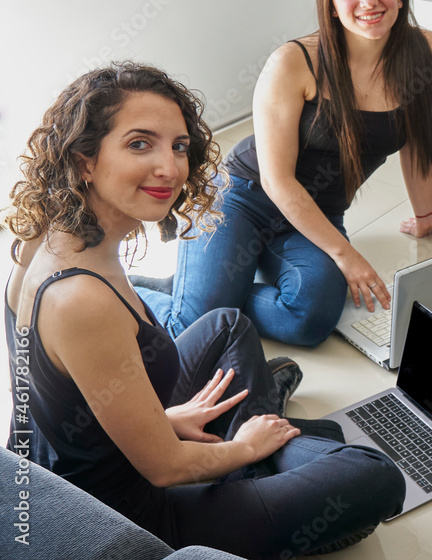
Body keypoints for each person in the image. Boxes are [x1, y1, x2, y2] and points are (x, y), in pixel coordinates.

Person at [4, 63, 405, 559]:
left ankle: (254, 427)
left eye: (178, 146)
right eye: (139, 144)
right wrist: (246, 448)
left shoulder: (47, 235)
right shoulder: (81, 300)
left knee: (227, 325)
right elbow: (165, 469)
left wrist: (161, 419)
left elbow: (52, 404)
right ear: (85, 159)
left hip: (92, 456)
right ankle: (264, 439)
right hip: (131, 510)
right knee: (375, 476)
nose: (170, 168)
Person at [135, 0, 432, 346]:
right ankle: (140, 289)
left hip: (319, 211)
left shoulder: (427, 52)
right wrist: (345, 254)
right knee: (194, 327)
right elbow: (277, 180)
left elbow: (416, 140)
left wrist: (425, 211)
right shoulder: (294, 62)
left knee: (308, 321)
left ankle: (212, 287)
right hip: (243, 197)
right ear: (332, 4)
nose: (369, 2)